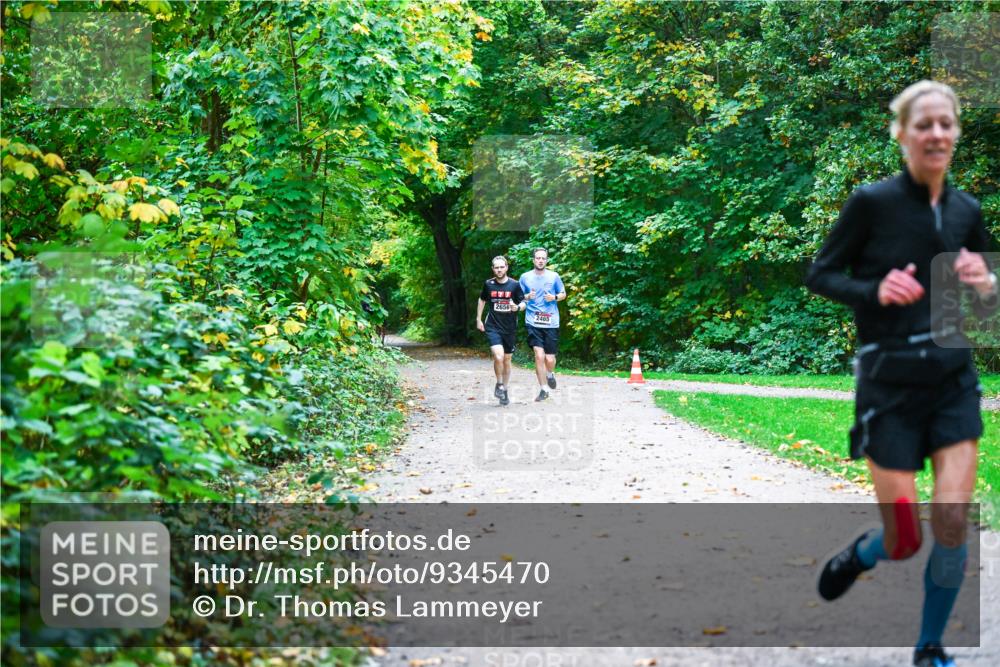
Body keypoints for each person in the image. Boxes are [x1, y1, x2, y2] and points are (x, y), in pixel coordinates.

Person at [805, 81, 996, 667]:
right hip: (888, 384)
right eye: (924, 125)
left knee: (952, 524)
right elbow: (821, 274)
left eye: (946, 123)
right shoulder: (872, 202)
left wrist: (985, 283)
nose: (936, 133)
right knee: (905, 539)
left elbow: (990, 301)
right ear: (902, 134)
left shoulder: (967, 212)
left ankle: (930, 646)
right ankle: (862, 555)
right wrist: (874, 288)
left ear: (956, 133)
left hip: (952, 379)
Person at [476, 255, 526, 406]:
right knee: (498, 356)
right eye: (496, 267)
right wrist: (478, 319)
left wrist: (517, 307)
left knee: (507, 359)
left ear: (506, 268)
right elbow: (482, 299)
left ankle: (504, 389)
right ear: (493, 269)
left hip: (509, 327)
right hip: (492, 325)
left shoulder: (514, 285)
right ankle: (499, 384)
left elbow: (523, 302)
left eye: (501, 267)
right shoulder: (488, 284)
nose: (499, 270)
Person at [519, 248, 566, 402]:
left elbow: (563, 294)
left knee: (550, 359)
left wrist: (554, 297)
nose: (540, 260)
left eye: (543, 258)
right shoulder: (525, 277)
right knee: (539, 356)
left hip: (551, 322)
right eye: (538, 258)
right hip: (533, 321)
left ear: (547, 260)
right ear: (533, 260)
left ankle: (550, 374)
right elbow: (519, 298)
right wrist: (526, 297)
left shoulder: (554, 276)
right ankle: (544, 389)